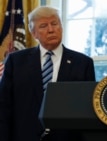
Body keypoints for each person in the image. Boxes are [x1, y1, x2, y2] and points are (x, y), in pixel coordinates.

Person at [0, 6, 95, 141]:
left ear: (61, 27)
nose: (51, 30)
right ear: (34, 33)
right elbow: (4, 107)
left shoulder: (83, 63)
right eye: (43, 26)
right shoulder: (16, 62)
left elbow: (87, 110)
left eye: (54, 24)